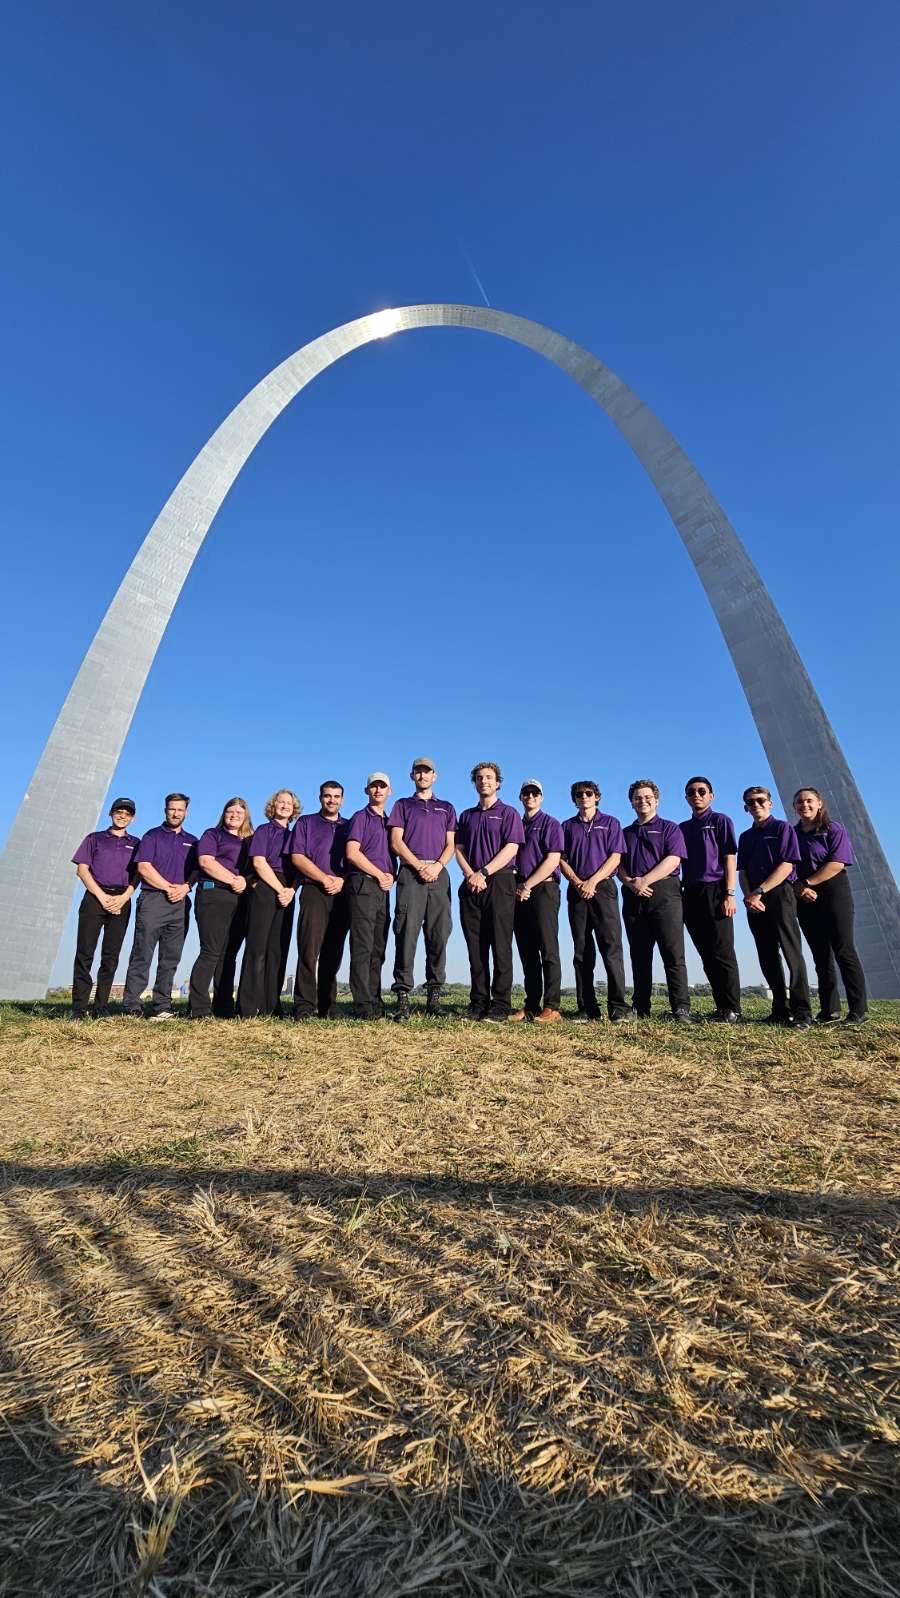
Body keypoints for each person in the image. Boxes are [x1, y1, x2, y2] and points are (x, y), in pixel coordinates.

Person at [737, 786, 812, 1028]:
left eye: (760, 800)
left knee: (791, 952)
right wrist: (750, 895)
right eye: (751, 802)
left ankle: (802, 1011)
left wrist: (760, 891)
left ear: (770, 803)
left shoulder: (782, 828)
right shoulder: (746, 837)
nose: (756, 805)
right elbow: (743, 871)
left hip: (779, 893)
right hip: (755, 898)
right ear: (746, 808)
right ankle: (780, 1008)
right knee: (766, 953)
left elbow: (787, 865)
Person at [454, 762, 525, 1021]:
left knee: (500, 945)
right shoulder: (467, 815)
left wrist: (483, 873)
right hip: (471, 883)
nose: (484, 781)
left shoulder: (508, 813)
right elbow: (458, 848)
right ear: (474, 783)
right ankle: (478, 1003)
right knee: (476, 947)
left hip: (500, 881)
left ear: (497, 783)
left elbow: (512, 847)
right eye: (480, 778)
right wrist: (470, 874)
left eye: (489, 778)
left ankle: (500, 1005)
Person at [792, 787, 868, 1026]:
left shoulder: (833, 829)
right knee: (820, 954)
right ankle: (829, 1010)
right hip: (804, 895)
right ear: (795, 807)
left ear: (820, 804)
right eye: (800, 802)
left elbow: (836, 863)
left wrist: (807, 882)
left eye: (809, 801)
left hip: (834, 892)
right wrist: (799, 887)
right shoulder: (792, 834)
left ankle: (858, 1010)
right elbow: (786, 863)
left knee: (844, 950)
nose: (805, 805)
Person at [388, 758, 457, 1020]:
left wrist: (438, 865)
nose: (423, 775)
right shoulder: (403, 805)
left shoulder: (446, 808)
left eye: (427, 771)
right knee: (406, 933)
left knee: (439, 933)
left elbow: (451, 844)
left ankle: (434, 997)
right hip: (411, 873)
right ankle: (403, 997)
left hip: (439, 874)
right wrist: (418, 866)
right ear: (412, 776)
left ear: (434, 776)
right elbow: (396, 841)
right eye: (418, 772)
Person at [619, 780, 692, 1021]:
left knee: (672, 953)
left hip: (664, 893)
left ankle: (680, 1008)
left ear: (657, 800)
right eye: (638, 797)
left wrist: (646, 880)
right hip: (633, 895)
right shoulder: (625, 833)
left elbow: (674, 859)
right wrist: (630, 882)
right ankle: (640, 1006)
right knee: (639, 955)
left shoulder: (669, 828)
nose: (643, 801)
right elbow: (616, 863)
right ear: (631, 802)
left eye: (648, 797)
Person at [122, 793, 198, 1019]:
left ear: (186, 812)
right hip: (153, 899)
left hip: (181, 903)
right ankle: (131, 1005)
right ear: (165, 810)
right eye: (172, 809)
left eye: (180, 810)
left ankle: (162, 1006)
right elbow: (144, 867)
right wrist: (168, 887)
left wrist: (185, 887)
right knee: (142, 953)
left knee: (171, 957)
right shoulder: (152, 836)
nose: (176, 813)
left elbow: (197, 870)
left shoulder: (193, 841)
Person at [560, 781, 630, 1023]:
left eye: (588, 793)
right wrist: (578, 882)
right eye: (579, 794)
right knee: (581, 951)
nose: (584, 797)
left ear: (597, 797)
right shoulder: (567, 826)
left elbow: (616, 856)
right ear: (574, 799)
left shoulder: (611, 823)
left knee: (611, 948)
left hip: (604, 889)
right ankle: (587, 1008)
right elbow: (561, 859)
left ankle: (618, 1008)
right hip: (576, 890)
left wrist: (593, 881)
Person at [69, 798, 141, 1020]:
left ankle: (101, 1007)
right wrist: (101, 896)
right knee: (85, 953)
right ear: (110, 813)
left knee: (111, 955)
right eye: (118, 811)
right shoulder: (95, 839)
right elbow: (82, 870)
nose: (122, 816)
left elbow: (139, 874)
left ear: (133, 818)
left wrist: (123, 898)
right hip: (94, 898)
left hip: (121, 900)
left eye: (127, 813)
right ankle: (79, 1009)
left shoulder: (137, 843)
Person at [680, 776, 742, 1023]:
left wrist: (730, 893)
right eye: (691, 792)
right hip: (691, 892)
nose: (697, 795)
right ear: (686, 797)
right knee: (705, 952)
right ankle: (720, 1007)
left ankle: (733, 1008)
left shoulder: (720, 821)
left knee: (723, 951)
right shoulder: (683, 828)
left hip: (716, 890)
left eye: (702, 791)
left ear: (711, 795)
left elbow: (729, 858)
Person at [237, 788, 301, 1019]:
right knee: (257, 948)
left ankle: (271, 1006)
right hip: (267, 887)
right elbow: (258, 862)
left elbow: (300, 865)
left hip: (288, 891)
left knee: (278, 950)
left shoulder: (296, 834)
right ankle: (247, 1007)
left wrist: (291, 890)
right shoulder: (264, 831)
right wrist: (280, 889)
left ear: (294, 809)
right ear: (272, 806)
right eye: (280, 802)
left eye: (289, 803)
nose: (284, 806)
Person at [188, 797, 254, 1019]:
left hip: (240, 899)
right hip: (213, 894)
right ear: (223, 814)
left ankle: (224, 1006)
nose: (234, 815)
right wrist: (233, 880)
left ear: (246, 816)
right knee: (211, 951)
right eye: (230, 811)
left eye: (239, 812)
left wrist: (244, 882)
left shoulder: (250, 840)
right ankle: (198, 1008)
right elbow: (206, 861)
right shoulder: (212, 834)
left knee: (229, 955)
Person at [290, 780, 350, 1019]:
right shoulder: (306, 822)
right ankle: (304, 1005)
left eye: (336, 796)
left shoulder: (349, 825)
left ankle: (328, 1005)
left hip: (342, 891)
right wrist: (324, 878)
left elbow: (356, 857)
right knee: (308, 949)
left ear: (342, 800)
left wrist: (342, 881)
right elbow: (297, 857)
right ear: (320, 798)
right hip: (314, 889)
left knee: (333, 951)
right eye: (327, 796)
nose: (332, 800)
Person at [510, 779, 564, 1023]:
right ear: (521, 797)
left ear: (541, 797)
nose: (530, 797)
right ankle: (531, 1004)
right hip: (518, 890)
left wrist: (528, 885)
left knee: (547, 947)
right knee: (527, 949)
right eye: (526, 793)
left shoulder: (550, 823)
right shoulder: (517, 824)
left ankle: (552, 1006)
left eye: (535, 793)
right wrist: (520, 886)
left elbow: (553, 860)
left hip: (543, 889)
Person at [345, 774, 395, 1019]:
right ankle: (362, 1004)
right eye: (374, 786)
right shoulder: (360, 817)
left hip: (383, 889)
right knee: (362, 946)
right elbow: (352, 853)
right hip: (364, 884)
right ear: (367, 790)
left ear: (389, 791)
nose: (378, 790)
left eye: (382, 786)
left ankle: (375, 1000)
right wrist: (379, 874)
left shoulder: (390, 821)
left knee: (379, 947)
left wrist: (390, 877)